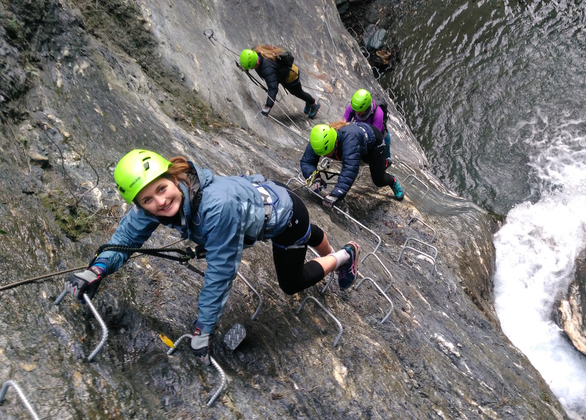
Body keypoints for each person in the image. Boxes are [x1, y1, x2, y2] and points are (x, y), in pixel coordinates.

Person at [64, 149, 358, 365]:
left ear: (173, 177)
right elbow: (127, 239)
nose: (160, 202)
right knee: (305, 232)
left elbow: (220, 273)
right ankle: (321, 244)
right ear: (140, 203)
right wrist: (98, 268)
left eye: (162, 189)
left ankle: (345, 255)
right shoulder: (162, 199)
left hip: (284, 218)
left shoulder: (216, 207)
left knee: (291, 282)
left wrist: (203, 328)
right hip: (271, 198)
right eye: (148, 200)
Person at [300, 121, 404, 207]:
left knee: (378, 179)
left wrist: (336, 194)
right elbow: (307, 162)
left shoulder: (350, 140)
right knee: (356, 159)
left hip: (374, 146)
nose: (325, 156)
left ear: (335, 142)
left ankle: (392, 180)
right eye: (322, 154)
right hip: (359, 143)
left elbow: (349, 169)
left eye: (328, 153)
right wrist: (314, 177)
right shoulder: (318, 141)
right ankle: (383, 164)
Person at [239, 45, 321, 118]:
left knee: (298, 93)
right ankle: (309, 101)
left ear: (256, 62)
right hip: (281, 73)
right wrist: (244, 67)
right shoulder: (257, 51)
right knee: (298, 92)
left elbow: (273, 88)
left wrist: (268, 106)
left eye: (252, 67)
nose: (252, 69)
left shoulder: (267, 69)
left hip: (291, 76)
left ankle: (314, 103)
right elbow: (248, 59)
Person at [343, 89, 392, 161]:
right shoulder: (352, 107)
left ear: (367, 107)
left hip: (380, 138)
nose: (357, 112)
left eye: (360, 111)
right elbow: (343, 126)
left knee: (384, 160)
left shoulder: (378, 114)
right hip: (361, 131)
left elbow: (375, 137)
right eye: (356, 110)